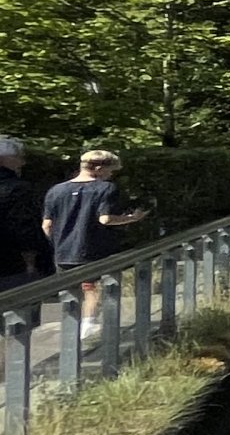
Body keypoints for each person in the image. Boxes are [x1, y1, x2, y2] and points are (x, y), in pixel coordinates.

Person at [41, 149, 151, 341]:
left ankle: (72, 329)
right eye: (110, 171)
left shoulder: (55, 190)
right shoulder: (106, 188)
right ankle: (88, 326)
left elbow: (47, 225)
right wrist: (132, 218)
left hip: (62, 251)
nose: (111, 175)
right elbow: (105, 219)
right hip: (93, 248)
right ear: (99, 168)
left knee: (71, 291)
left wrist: (57, 244)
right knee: (92, 288)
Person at [0, 139, 45, 290]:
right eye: (19, 157)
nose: (22, 163)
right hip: (12, 264)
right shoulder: (19, 189)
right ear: (5, 159)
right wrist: (30, 261)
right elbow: (23, 226)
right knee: (24, 309)